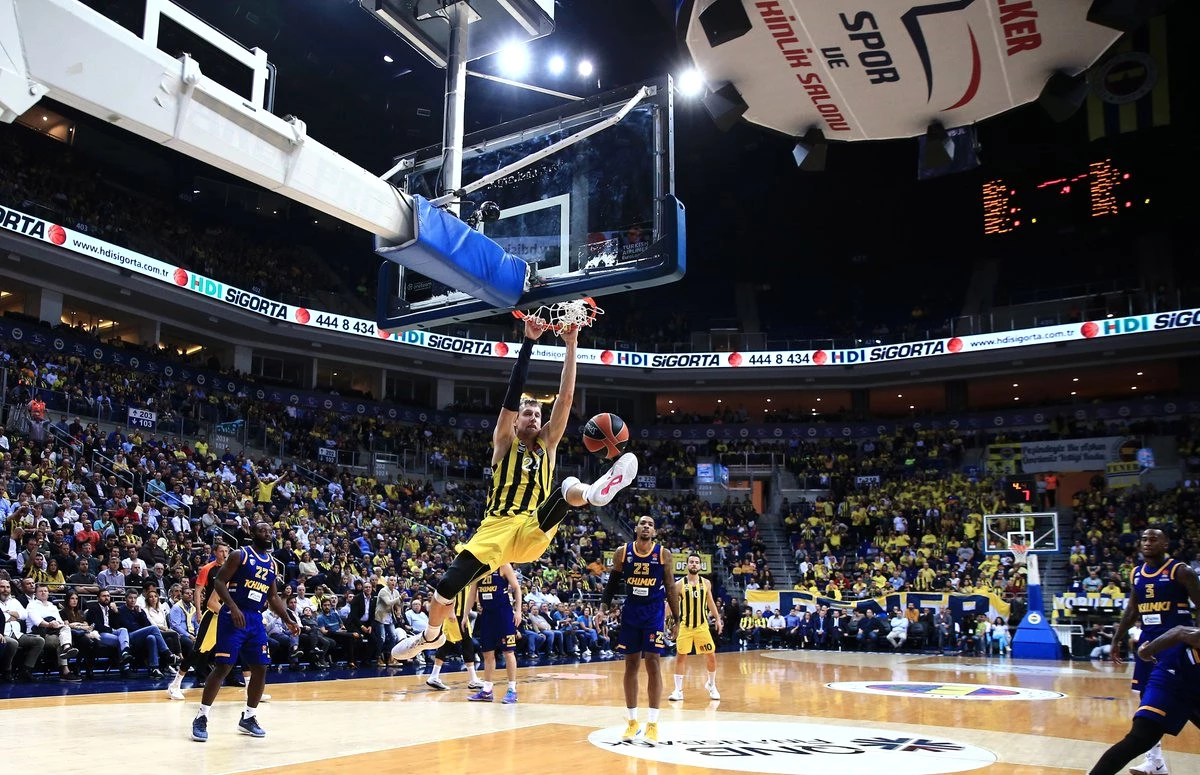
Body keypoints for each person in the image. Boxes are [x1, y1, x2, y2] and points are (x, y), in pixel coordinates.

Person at [392, 317, 638, 661]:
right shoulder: (504, 442)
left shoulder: (548, 443)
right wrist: (529, 342)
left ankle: (595, 493)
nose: (534, 418)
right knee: (446, 588)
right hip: (495, 528)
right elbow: (511, 396)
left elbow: (565, 398)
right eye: (528, 414)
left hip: (531, 525)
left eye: (538, 414)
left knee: (566, 487)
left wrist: (571, 344)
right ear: (516, 420)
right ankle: (430, 637)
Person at [191, 523, 298, 743]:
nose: (268, 534)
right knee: (223, 667)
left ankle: (248, 717)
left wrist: (287, 618)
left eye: (270, 531)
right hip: (233, 616)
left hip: (255, 619)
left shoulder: (271, 564)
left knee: (260, 668)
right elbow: (219, 582)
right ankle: (201, 716)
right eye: (262, 531)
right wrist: (232, 607)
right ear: (252, 534)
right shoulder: (240, 555)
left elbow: (273, 597)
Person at [1110, 529, 1200, 775]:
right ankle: (1155, 761)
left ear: (1165, 543)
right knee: (1146, 702)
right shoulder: (1137, 573)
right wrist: (1117, 638)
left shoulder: (1181, 571)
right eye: (1144, 539)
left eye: (1153, 539)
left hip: (1177, 644)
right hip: (1148, 643)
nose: (1147, 543)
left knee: (1185, 699)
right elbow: (1132, 610)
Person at [603, 515, 680, 745]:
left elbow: (670, 587)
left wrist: (677, 619)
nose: (646, 526)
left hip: (654, 612)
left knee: (653, 662)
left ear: (654, 532)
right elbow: (612, 583)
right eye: (642, 523)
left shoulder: (663, 554)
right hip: (631, 612)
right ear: (636, 528)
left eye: (650, 524)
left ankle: (653, 725)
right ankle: (632, 722)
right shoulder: (622, 552)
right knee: (631, 664)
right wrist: (603, 606)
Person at [1088, 625, 1200, 775]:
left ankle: (1156, 765)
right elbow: (1179, 631)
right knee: (1142, 737)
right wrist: (1147, 651)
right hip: (1174, 673)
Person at [169, 543, 230, 698]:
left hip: (227, 615)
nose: (224, 553)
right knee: (198, 650)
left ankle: (251, 687)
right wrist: (198, 611)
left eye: (226, 551)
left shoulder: (232, 569)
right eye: (221, 551)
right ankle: (175, 684)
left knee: (239, 647)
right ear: (215, 552)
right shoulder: (207, 568)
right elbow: (198, 591)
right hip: (212, 613)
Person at [668, 553, 722, 702]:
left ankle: (711, 684)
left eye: (696, 562)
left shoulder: (706, 583)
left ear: (700, 566)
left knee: (711, 656)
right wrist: (661, 621)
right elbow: (670, 604)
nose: (693, 564)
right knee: (681, 657)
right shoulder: (679, 584)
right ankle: (678, 691)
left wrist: (718, 619)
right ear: (687, 565)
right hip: (685, 626)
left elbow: (710, 602)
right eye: (691, 562)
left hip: (701, 626)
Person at [466, 563, 522, 703]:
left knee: (508, 652)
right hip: (487, 615)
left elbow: (516, 588)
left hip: (503, 614)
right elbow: (472, 593)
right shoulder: (478, 567)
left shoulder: (503, 566)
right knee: (487, 653)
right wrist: (465, 614)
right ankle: (487, 690)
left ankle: (512, 689)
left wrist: (518, 611)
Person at [425, 586, 481, 691]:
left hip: (462, 616)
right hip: (455, 615)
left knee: (449, 644)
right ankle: (473, 679)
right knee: (466, 644)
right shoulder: (459, 575)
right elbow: (449, 593)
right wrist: (450, 612)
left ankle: (434, 676)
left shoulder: (469, 577)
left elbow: (472, 595)